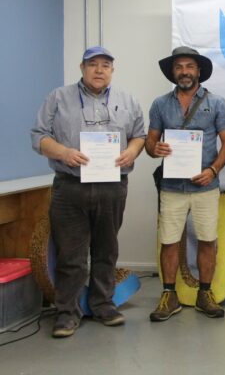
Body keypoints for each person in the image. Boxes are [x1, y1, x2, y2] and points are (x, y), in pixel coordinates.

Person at [30, 46, 146, 338]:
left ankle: (103, 305)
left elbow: (139, 136)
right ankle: (67, 313)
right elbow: (39, 136)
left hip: (112, 187)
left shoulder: (127, 100)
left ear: (112, 70)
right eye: (92, 64)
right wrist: (63, 152)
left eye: (105, 65)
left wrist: (132, 152)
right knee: (71, 255)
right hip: (70, 187)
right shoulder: (58, 97)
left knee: (107, 250)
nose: (99, 70)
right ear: (82, 68)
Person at [145, 46, 225, 321]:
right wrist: (154, 149)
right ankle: (169, 295)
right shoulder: (160, 104)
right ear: (173, 72)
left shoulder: (216, 103)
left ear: (198, 71)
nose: (184, 72)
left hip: (205, 185)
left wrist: (213, 170)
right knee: (169, 241)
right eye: (179, 67)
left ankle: (205, 294)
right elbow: (150, 142)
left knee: (207, 239)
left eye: (189, 66)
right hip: (172, 186)